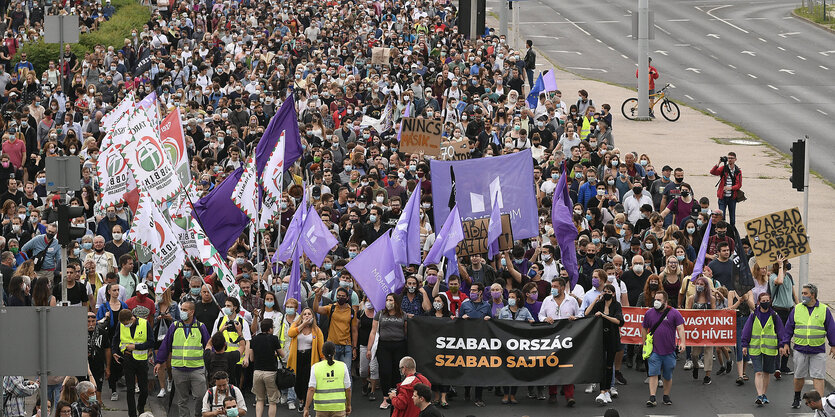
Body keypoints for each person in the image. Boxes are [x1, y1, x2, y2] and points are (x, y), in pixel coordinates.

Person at [781, 283, 835, 409]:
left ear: (813, 295)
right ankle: (797, 397)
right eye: (802, 293)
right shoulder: (797, 308)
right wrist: (785, 343)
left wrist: (833, 345)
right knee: (799, 376)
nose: (803, 296)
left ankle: (820, 402)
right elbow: (788, 328)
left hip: (818, 350)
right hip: (800, 349)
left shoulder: (824, 309)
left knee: (819, 377)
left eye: (805, 293)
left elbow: (831, 329)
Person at [155, 300, 211, 417]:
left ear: (192, 312)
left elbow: (208, 346)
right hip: (179, 369)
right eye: (181, 310)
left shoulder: (201, 327)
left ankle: (198, 415)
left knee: (201, 396)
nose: (182, 312)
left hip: (197, 368)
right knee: (182, 400)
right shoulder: (174, 326)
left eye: (185, 310)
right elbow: (165, 345)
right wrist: (159, 362)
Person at [538, 277, 579, 407]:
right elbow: (540, 315)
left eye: (556, 286)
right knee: (552, 365)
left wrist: (575, 318)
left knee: (567, 366)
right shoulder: (547, 300)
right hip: (552, 338)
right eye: (552, 286)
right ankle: (552, 394)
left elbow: (580, 315)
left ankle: (569, 396)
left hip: (568, 338)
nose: (553, 289)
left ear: (562, 287)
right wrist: (546, 319)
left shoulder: (572, 301)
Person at [641, 290, 686, 407]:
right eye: (655, 299)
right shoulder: (649, 313)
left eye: (659, 300)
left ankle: (666, 396)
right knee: (653, 374)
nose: (656, 302)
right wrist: (644, 342)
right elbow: (644, 328)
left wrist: (683, 342)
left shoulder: (674, 313)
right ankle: (652, 397)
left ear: (665, 301)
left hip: (669, 351)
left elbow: (680, 328)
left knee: (667, 375)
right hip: (654, 351)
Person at [741, 291, 784, 406]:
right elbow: (746, 330)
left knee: (766, 373)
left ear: (770, 301)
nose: (765, 303)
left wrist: (781, 345)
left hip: (770, 349)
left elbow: (780, 332)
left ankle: (764, 394)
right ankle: (759, 395)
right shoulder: (754, 315)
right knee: (758, 372)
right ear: (758, 302)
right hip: (755, 348)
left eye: (767, 301)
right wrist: (744, 345)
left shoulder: (774, 316)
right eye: (763, 301)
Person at [367, 293, 408, 410]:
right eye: (387, 300)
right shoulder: (380, 314)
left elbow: (406, 332)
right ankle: (385, 398)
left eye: (391, 300)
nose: (388, 302)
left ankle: (395, 397)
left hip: (399, 346)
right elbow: (373, 332)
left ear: (396, 302)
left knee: (396, 372)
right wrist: (369, 349)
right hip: (384, 346)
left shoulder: (403, 315)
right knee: (385, 372)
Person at [585, 284, 624, 406]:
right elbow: (587, 314)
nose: (606, 293)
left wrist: (603, 316)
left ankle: (607, 390)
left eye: (608, 291)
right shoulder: (599, 304)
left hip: (612, 337)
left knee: (609, 365)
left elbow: (618, 321)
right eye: (604, 291)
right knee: (601, 365)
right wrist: (595, 300)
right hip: (600, 338)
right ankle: (602, 391)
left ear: (613, 293)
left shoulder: (616, 305)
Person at [112, 309, 153, 417]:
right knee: (130, 390)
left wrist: (135, 347)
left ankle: (141, 406)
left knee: (144, 390)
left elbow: (151, 342)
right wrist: (114, 352)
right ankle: (132, 414)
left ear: (132, 319)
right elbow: (116, 339)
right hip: (128, 359)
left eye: (126, 323)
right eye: (123, 324)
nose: (125, 326)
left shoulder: (144, 324)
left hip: (141, 361)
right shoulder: (121, 324)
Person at [288, 307, 325, 411]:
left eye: (309, 314)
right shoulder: (296, 325)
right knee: (298, 380)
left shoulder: (316, 330)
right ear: (301, 316)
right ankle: (300, 399)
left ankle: (305, 403)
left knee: (307, 380)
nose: (307, 316)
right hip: (297, 357)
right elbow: (290, 333)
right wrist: (303, 324)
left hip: (310, 357)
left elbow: (321, 346)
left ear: (312, 316)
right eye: (304, 314)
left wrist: (323, 359)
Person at [303, 341, 351, 417]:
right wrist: (348, 405)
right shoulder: (343, 366)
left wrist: (306, 408)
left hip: (321, 407)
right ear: (335, 352)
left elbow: (311, 389)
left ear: (322, 352)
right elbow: (348, 389)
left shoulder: (315, 367)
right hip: (338, 407)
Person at [247, 318, 282, 417]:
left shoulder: (254, 339)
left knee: (259, 399)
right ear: (270, 329)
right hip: (270, 373)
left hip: (257, 372)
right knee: (272, 401)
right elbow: (282, 354)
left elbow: (252, 358)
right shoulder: (274, 339)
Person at [685, 275, 715, 385]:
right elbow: (687, 313)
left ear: (706, 286)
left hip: (708, 330)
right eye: (697, 284)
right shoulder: (692, 298)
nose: (699, 286)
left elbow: (714, 314)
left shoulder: (711, 299)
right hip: (696, 330)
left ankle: (707, 375)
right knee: (694, 354)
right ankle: (696, 366)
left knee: (708, 352)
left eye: (702, 284)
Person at [709, 152, 742, 226]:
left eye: (731, 158)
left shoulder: (738, 171)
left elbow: (739, 184)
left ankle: (732, 232)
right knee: (722, 217)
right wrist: (718, 163)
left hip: (732, 198)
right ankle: (723, 231)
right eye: (728, 158)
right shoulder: (724, 168)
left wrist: (730, 188)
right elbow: (712, 172)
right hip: (722, 197)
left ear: (735, 159)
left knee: (732, 219)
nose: (730, 160)